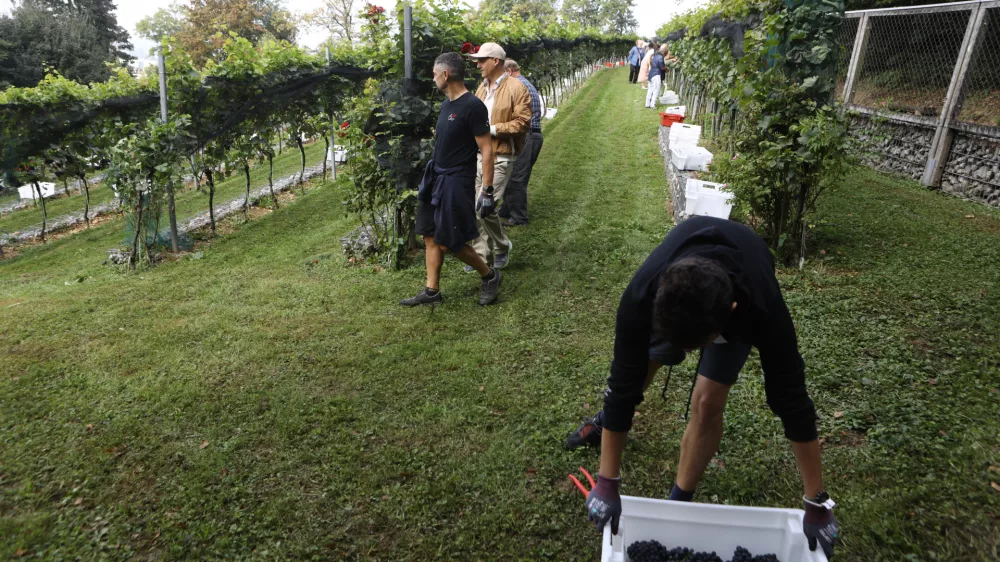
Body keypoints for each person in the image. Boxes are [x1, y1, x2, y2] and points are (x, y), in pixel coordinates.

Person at [568, 216, 840, 559]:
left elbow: (793, 400)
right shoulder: (642, 295)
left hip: (740, 288)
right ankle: (606, 421)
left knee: (707, 403)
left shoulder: (762, 309)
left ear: (731, 312)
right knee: (638, 373)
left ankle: (679, 502)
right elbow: (622, 382)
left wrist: (816, 502)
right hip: (680, 300)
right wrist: (607, 480)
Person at [400, 52, 504, 307]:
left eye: (435, 74)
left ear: (445, 74)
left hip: (457, 180)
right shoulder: (447, 105)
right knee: (429, 234)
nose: (433, 78)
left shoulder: (472, 106)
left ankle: (490, 276)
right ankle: (432, 291)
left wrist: (487, 190)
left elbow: (486, 149)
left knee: (450, 241)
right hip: (435, 177)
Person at [465, 42, 531, 270]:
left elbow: (523, 122)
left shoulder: (516, 87)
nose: (478, 65)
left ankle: (502, 246)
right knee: (476, 207)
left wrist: (491, 129)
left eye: (482, 60)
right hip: (479, 154)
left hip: (501, 155)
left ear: (495, 61)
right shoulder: (482, 88)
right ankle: (481, 257)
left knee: (485, 207)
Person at [498, 59, 543, 227]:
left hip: (527, 136)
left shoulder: (519, 86)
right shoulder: (525, 84)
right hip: (531, 135)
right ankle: (506, 210)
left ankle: (519, 218)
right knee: (511, 174)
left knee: (516, 177)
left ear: (509, 71)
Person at [645, 44, 666, 109]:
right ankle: (653, 104)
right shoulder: (661, 57)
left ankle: (647, 104)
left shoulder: (655, 56)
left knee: (650, 89)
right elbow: (662, 67)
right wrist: (667, 69)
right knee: (656, 89)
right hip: (656, 74)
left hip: (651, 74)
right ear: (663, 53)